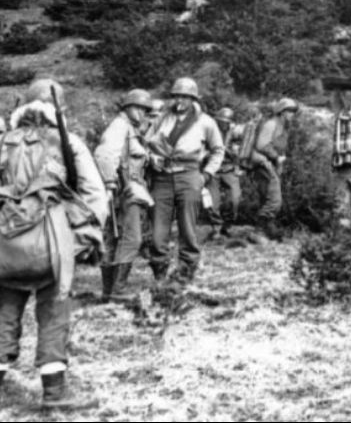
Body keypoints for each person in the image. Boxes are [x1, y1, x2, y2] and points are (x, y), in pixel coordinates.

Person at [0, 78, 107, 409]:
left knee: (5, 310)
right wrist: (82, 239)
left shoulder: (1, 143)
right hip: (52, 240)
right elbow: (96, 196)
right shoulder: (70, 143)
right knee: (54, 312)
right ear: (59, 109)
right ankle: (54, 393)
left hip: (6, 242)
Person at [144, 77, 225, 285]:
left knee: (188, 228)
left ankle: (186, 274)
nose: (180, 100)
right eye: (176, 95)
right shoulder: (162, 118)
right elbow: (146, 143)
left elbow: (218, 150)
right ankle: (160, 273)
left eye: (185, 96)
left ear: (193, 99)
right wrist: (152, 158)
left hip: (189, 175)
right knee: (157, 231)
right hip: (162, 177)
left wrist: (206, 174)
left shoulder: (205, 121)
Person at [92, 89, 154, 303]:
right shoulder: (119, 127)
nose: (142, 113)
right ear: (128, 107)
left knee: (116, 238)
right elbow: (104, 154)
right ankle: (117, 289)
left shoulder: (130, 129)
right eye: (138, 108)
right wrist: (110, 183)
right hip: (125, 189)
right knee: (131, 238)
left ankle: (109, 291)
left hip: (130, 188)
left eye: (145, 109)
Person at [249, 98, 298, 235]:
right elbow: (262, 145)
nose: (292, 114)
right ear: (281, 112)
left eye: (293, 111)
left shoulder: (283, 126)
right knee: (275, 201)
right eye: (290, 111)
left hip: (269, 164)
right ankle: (258, 231)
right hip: (263, 163)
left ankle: (268, 229)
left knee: (267, 198)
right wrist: (276, 157)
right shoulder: (271, 124)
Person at [208, 107, 245, 235]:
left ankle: (228, 225)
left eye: (225, 122)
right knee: (213, 202)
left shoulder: (236, 133)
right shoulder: (209, 131)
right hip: (212, 170)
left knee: (235, 199)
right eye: (220, 121)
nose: (223, 124)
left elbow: (240, 152)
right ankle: (216, 228)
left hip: (229, 169)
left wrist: (229, 150)